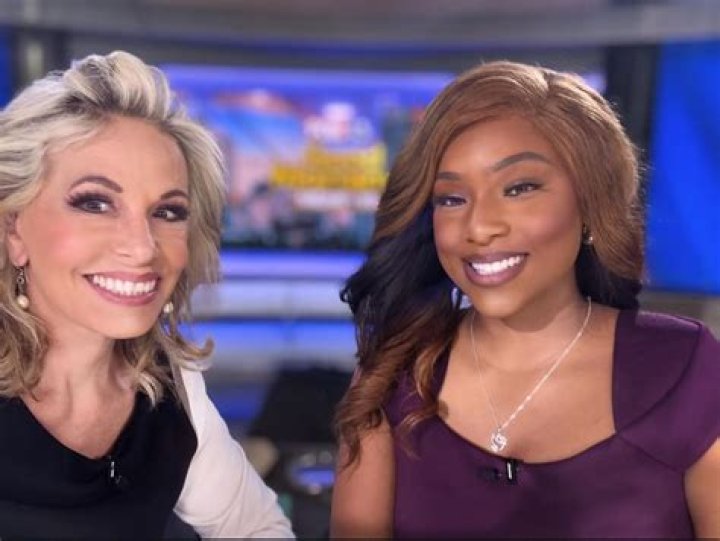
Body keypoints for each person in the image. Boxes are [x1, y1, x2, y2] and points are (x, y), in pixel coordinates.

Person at [331, 61, 720, 538]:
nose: (479, 227)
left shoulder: (684, 367)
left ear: (590, 203)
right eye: (451, 199)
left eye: (519, 188)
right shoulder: (391, 374)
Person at [0, 51, 294, 538]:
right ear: (14, 229)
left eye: (167, 212)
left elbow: (258, 527)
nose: (142, 248)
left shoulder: (171, 386)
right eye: (95, 203)